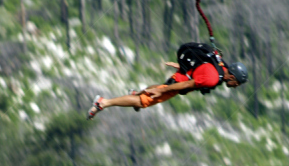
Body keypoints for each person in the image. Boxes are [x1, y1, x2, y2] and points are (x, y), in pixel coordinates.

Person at [87, 42, 248, 120]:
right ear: (232, 77)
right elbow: (187, 84)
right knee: (141, 102)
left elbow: (204, 63)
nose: (234, 87)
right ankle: (103, 102)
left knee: (154, 90)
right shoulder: (213, 78)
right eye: (236, 84)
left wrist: (182, 66)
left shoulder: (221, 64)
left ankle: (137, 93)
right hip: (179, 82)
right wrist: (162, 90)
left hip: (183, 75)